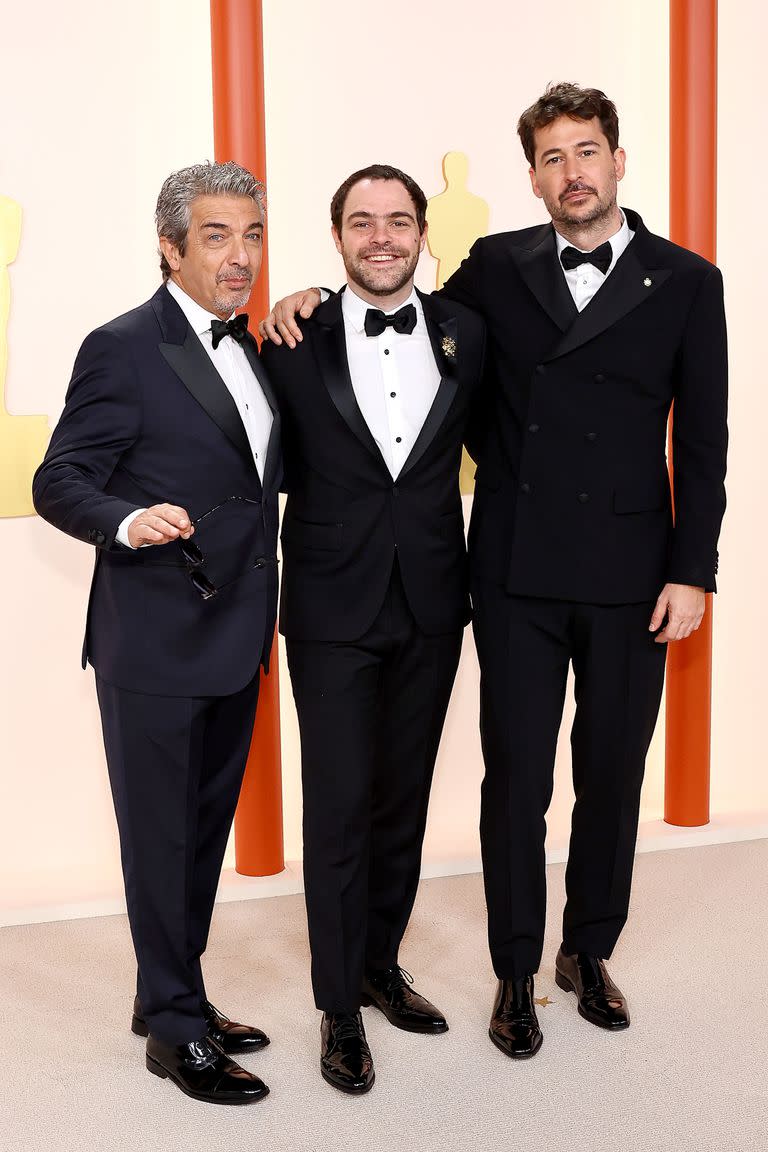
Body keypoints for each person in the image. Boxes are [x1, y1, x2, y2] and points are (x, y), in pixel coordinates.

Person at [259, 83, 728, 1059]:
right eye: (553, 159)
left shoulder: (688, 280)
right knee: (514, 780)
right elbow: (388, 306)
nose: (573, 173)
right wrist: (300, 298)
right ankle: (515, 969)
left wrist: (695, 569)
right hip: (512, 569)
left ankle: (586, 950)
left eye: (587, 152)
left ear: (618, 161)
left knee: (611, 773)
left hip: (637, 572)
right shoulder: (493, 270)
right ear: (533, 176)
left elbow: (707, 439)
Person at [33, 162, 281, 1104]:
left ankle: (171, 992)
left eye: (252, 234)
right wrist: (128, 522)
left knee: (201, 834)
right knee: (159, 839)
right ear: (170, 247)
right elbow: (58, 479)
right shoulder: (123, 347)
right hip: (155, 640)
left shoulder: (253, 346)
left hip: (237, 632)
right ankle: (174, 1033)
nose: (240, 255)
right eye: (217, 236)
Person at [260, 164, 485, 1094]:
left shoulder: (468, 330)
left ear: (425, 233)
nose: (381, 237)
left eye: (399, 220)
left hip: (433, 599)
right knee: (341, 804)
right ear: (338, 237)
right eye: (362, 222)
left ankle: (379, 963)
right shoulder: (285, 335)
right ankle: (337, 1007)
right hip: (328, 607)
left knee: (404, 800)